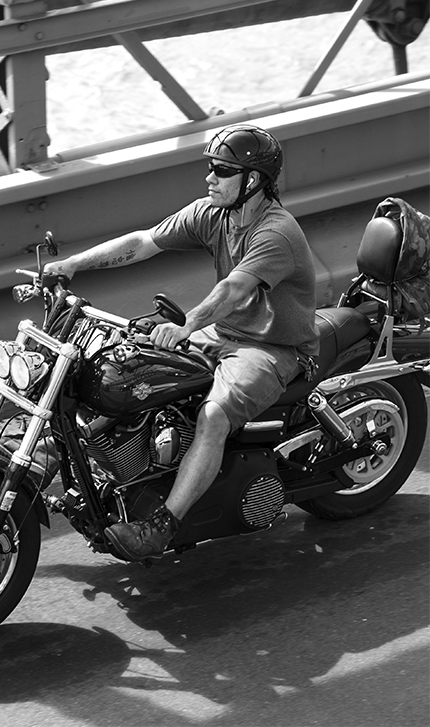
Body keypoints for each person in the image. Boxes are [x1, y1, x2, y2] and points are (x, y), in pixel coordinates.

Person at [44, 124, 319, 561]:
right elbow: (143, 242)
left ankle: (162, 525)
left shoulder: (276, 233)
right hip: (225, 333)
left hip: (273, 348)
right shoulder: (214, 214)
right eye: (210, 167)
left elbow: (234, 291)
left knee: (212, 416)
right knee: (131, 365)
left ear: (252, 180)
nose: (209, 177)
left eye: (222, 170)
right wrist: (73, 265)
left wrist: (188, 324)